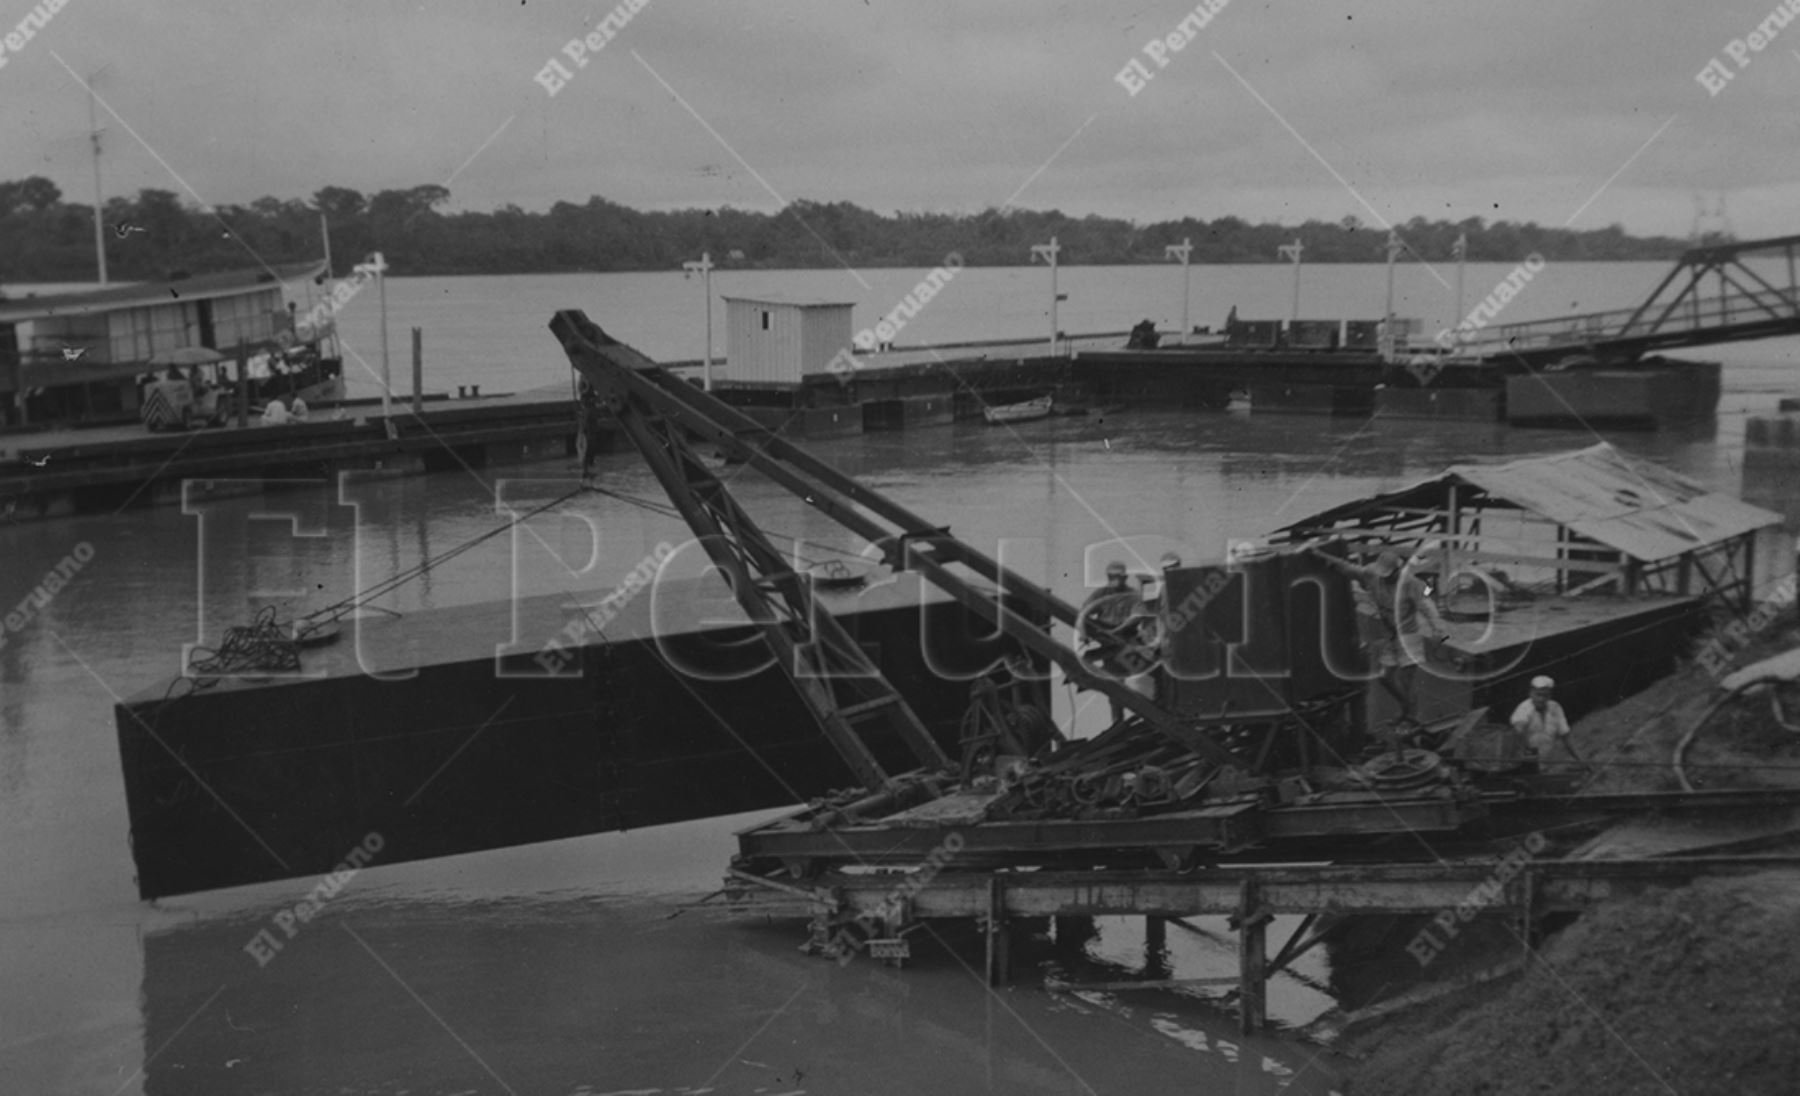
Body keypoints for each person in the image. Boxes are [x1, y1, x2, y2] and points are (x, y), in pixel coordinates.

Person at [1311, 544, 1448, 729]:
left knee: (1407, 680)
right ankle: (1405, 707)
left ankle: (1409, 717)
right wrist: (1321, 555)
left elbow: (1427, 607)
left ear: (1398, 570)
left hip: (1408, 636)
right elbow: (1347, 567)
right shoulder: (1372, 575)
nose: (1387, 578)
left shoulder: (1412, 583)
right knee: (1385, 676)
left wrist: (1437, 629)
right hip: (1389, 633)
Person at [1511, 675, 1575, 768]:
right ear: (1530, 693)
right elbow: (1519, 732)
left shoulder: (1555, 708)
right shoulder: (1523, 709)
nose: (1541, 699)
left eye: (1545, 695)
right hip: (1526, 765)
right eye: (1538, 694)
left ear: (1550, 695)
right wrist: (1532, 760)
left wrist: (1582, 761)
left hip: (1548, 763)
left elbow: (1566, 737)